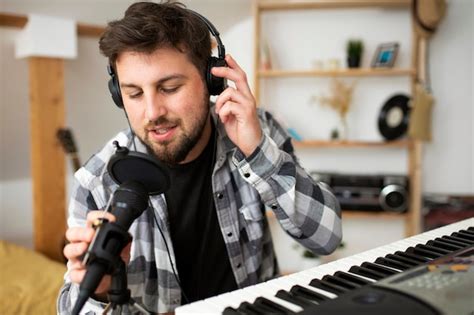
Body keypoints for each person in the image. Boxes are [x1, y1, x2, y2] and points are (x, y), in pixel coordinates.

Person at [58, 1, 342, 314]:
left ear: (212, 80)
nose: (152, 113)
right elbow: (72, 307)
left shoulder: (254, 130)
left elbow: (327, 237)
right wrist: (100, 295)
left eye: (169, 87)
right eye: (134, 94)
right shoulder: (95, 182)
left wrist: (258, 152)